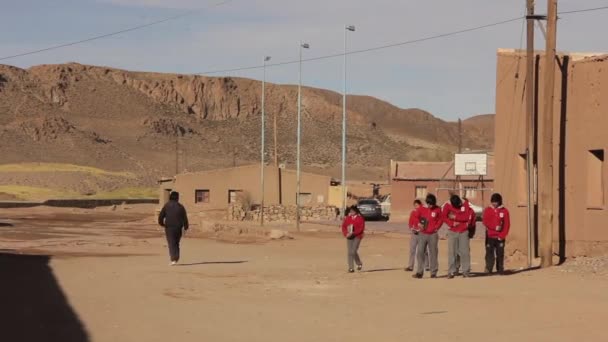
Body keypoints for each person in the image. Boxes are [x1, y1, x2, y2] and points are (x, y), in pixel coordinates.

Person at [443, 194, 475, 278]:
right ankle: (451, 271)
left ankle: (466, 271)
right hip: (452, 231)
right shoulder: (447, 205)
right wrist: (452, 223)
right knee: (452, 252)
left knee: (465, 252)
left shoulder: (465, 204)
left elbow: (467, 217)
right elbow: (444, 217)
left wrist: (455, 216)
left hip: (463, 231)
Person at [412, 194, 443, 279]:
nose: (430, 206)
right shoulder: (421, 208)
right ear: (427, 203)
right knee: (420, 252)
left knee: (433, 253)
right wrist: (418, 223)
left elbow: (441, 219)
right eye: (429, 204)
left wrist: (437, 227)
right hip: (422, 233)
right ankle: (419, 272)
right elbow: (415, 217)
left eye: (432, 204)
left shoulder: (438, 209)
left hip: (433, 234)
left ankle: (433, 272)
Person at [158, 191, 189, 265]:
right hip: (178, 227)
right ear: (177, 198)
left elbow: (161, 216)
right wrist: (186, 227)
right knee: (176, 243)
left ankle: (173, 259)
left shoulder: (167, 205)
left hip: (169, 227)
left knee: (171, 243)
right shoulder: (180, 206)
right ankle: (176, 257)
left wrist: (162, 223)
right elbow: (185, 218)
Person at [482, 193, 510, 274]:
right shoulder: (488, 210)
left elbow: (507, 224)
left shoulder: (504, 211)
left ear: (499, 202)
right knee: (489, 254)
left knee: (500, 254)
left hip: (500, 237)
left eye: (496, 202)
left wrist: (502, 235)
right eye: (493, 202)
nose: (494, 203)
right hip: (490, 236)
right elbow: (485, 221)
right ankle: (488, 268)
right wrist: (494, 227)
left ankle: (500, 269)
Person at [405, 199, 429, 272]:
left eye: (417, 205)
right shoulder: (413, 212)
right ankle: (410, 266)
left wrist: (422, 229)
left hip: (422, 233)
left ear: (420, 205)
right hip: (414, 233)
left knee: (423, 249)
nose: (416, 207)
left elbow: (426, 222)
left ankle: (427, 265)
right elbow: (410, 222)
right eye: (415, 205)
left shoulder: (424, 211)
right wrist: (412, 228)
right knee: (412, 249)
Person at [341, 205, 365, 273]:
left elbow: (361, 229)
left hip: (357, 236)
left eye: (353, 211)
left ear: (356, 211)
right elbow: (344, 226)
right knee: (349, 252)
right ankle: (351, 268)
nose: (351, 212)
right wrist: (346, 234)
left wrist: (354, 233)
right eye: (350, 211)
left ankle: (359, 263)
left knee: (353, 251)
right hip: (349, 236)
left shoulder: (360, 218)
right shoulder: (348, 218)